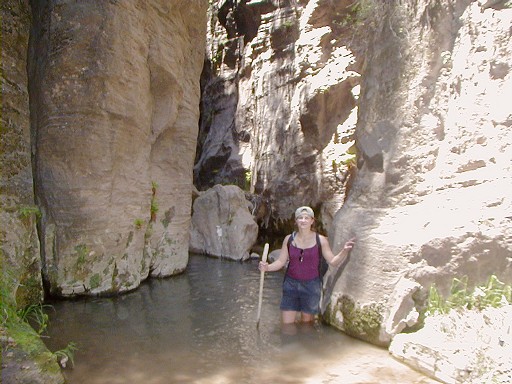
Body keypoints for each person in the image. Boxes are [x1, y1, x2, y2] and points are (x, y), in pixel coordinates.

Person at [258, 206, 355, 325]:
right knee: (287, 325)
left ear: (312, 221)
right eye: (300, 218)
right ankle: (288, 343)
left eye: (306, 218)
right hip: (290, 285)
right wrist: (267, 267)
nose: (303, 220)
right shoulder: (288, 240)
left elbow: (333, 261)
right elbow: (280, 262)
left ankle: (304, 342)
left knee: (306, 325)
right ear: (296, 221)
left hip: (311, 286)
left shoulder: (321, 240)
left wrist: (344, 251)